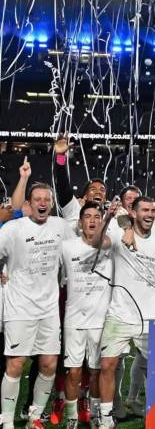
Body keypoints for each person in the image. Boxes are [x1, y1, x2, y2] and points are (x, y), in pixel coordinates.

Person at [96, 196, 155, 429]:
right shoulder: (118, 235)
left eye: (153, 210)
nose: (150, 214)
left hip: (153, 316)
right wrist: (108, 218)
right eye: (145, 210)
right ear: (133, 213)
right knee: (107, 365)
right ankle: (106, 417)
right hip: (120, 313)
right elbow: (96, 242)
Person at [0, 183, 75, 429]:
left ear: (51, 204)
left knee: (49, 364)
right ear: (29, 204)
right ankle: (6, 421)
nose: (42, 203)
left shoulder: (61, 227)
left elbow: (76, 253)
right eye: (37, 199)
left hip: (49, 308)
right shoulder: (13, 229)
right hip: (19, 307)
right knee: (16, 363)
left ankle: (34, 417)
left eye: (46, 199)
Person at [60, 202, 113, 429]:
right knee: (73, 373)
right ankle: (72, 417)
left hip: (100, 320)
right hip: (74, 320)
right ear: (80, 222)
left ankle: (94, 413)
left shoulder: (109, 244)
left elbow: (98, 241)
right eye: (88, 216)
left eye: (97, 217)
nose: (92, 220)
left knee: (96, 372)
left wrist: (109, 219)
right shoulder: (66, 247)